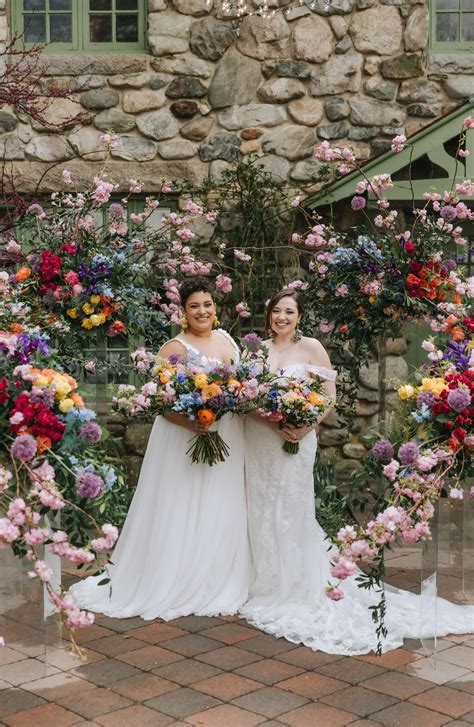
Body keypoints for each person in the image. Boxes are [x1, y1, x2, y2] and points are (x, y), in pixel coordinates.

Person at [240, 288, 474, 654]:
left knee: (289, 506)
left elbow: (328, 396)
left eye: (288, 311)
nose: (281, 317)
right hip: (259, 439)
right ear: (268, 315)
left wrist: (305, 425)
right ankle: (259, 576)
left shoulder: (312, 348)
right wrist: (266, 417)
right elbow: (246, 394)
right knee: (258, 502)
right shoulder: (255, 351)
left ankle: (290, 583)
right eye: (276, 311)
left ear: (299, 316)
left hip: (296, 438)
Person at [70, 279, 251, 620]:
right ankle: (179, 577)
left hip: (227, 433)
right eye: (195, 306)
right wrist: (194, 424)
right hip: (187, 436)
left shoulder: (227, 339)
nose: (203, 311)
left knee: (221, 502)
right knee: (184, 503)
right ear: (183, 311)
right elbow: (160, 401)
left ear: (216, 307)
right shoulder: (175, 348)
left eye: (208, 304)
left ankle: (218, 573)